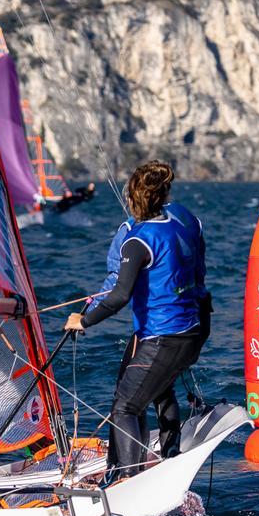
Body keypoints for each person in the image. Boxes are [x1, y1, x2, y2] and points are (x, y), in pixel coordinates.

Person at [64, 162, 205, 482]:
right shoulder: (185, 219)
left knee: (125, 407)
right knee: (156, 385)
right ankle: (170, 455)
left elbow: (119, 296)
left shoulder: (137, 240)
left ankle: (127, 480)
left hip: (163, 338)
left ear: (132, 199)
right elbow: (199, 272)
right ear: (164, 194)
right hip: (193, 332)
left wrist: (84, 321)